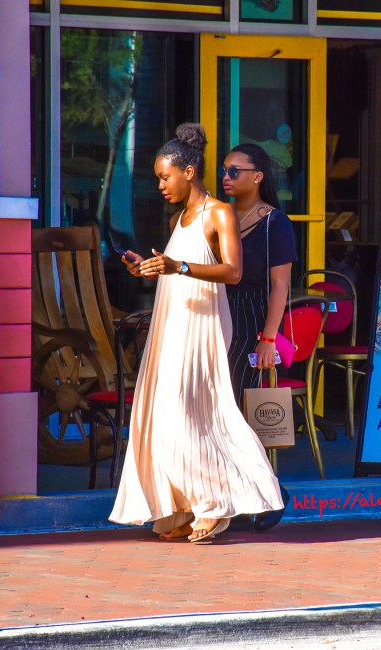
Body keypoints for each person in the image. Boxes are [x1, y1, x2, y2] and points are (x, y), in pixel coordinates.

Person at [109, 124, 284, 543]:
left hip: (203, 326)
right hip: (171, 323)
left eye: (164, 176)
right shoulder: (177, 219)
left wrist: (178, 266)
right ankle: (183, 507)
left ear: (188, 172)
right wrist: (148, 268)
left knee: (191, 415)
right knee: (164, 417)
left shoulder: (219, 212)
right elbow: (176, 271)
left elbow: (233, 271)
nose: (160, 185)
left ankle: (216, 503)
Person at [221, 143, 297, 532]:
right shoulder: (220, 216)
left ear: (258, 177)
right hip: (219, 316)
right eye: (224, 170)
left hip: (251, 320)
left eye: (235, 171)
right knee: (217, 408)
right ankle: (235, 496)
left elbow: (280, 285)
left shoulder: (274, 223)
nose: (226, 177)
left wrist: (268, 338)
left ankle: (272, 491)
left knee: (235, 410)